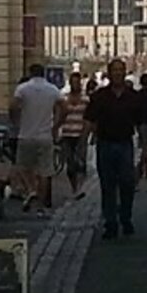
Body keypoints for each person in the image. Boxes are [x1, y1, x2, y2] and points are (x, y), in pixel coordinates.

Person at [84, 59, 145, 240]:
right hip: (105, 143)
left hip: (125, 143)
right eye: (114, 70)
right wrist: (81, 144)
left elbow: (141, 123)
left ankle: (125, 217)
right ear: (109, 73)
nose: (118, 73)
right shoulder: (100, 96)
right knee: (107, 185)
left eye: (120, 70)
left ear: (124, 72)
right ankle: (110, 222)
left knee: (127, 183)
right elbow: (89, 121)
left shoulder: (133, 96)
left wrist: (146, 146)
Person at [11, 64, 64, 215]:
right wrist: (56, 125)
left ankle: (31, 190)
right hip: (45, 136)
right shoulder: (52, 89)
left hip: (26, 135)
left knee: (22, 167)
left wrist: (16, 122)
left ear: (30, 73)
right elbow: (64, 107)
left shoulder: (22, 88)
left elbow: (13, 106)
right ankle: (41, 206)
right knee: (44, 172)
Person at [55, 71, 91, 199]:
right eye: (73, 82)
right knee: (70, 165)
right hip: (67, 134)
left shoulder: (86, 99)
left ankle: (80, 188)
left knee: (81, 163)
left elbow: (89, 118)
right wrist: (57, 129)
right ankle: (74, 187)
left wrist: (87, 133)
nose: (75, 85)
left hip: (81, 134)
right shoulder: (64, 98)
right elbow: (59, 115)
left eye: (77, 82)